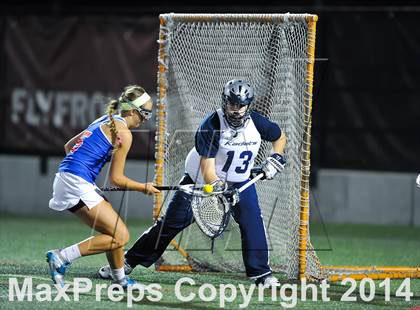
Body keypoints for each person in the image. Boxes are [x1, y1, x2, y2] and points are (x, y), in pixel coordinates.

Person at [98, 79, 286, 287]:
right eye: (232, 104)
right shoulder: (211, 125)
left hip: (240, 182)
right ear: (225, 102)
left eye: (241, 105)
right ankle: (127, 262)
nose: (237, 110)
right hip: (200, 182)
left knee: (253, 224)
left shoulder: (257, 122)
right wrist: (220, 190)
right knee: (169, 225)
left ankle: (261, 275)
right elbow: (208, 169)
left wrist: (275, 158)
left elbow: (279, 137)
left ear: (248, 105)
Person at [46, 85, 160, 288]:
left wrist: (87, 171)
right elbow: (116, 179)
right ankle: (61, 257)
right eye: (145, 114)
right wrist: (143, 187)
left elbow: (68, 147)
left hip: (69, 178)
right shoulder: (124, 133)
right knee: (121, 236)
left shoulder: (104, 120)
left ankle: (120, 279)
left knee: (115, 231)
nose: (145, 119)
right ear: (133, 111)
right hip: (75, 181)